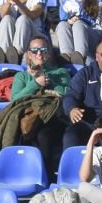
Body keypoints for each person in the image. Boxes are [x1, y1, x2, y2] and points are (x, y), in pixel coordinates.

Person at [11, 35, 72, 178]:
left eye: (43, 50)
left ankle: (47, 177)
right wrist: (35, 83)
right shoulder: (21, 76)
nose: (39, 53)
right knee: (36, 134)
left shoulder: (60, 72)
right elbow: (15, 100)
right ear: (28, 54)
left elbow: (67, 95)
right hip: (30, 120)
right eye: (35, 50)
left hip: (54, 119)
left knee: (43, 134)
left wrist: (48, 80)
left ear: (48, 53)